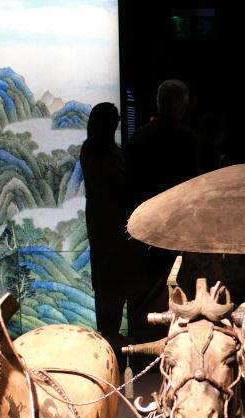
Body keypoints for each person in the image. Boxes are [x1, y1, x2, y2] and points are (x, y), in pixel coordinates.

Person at [126, 79, 200, 332]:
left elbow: (131, 182)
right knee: (179, 280)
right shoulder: (188, 139)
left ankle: (142, 333)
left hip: (145, 220)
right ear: (180, 105)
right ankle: (178, 332)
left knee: (145, 283)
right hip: (180, 221)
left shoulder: (139, 138)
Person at [79, 102, 132, 361]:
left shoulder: (87, 151)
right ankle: (112, 334)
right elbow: (122, 191)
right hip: (116, 226)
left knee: (102, 281)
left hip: (97, 224)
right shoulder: (112, 156)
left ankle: (107, 332)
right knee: (117, 281)